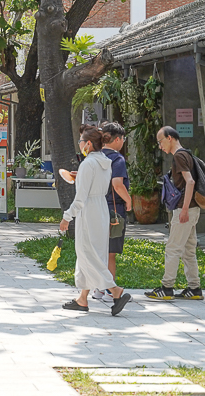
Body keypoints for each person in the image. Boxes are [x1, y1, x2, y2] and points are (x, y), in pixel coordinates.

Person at [59, 126, 132, 316]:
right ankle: (82, 298)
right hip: (101, 209)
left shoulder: (87, 164)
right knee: (92, 254)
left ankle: (115, 291)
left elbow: (81, 198)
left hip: (88, 211)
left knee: (87, 253)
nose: (80, 145)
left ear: (88, 143)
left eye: (81, 141)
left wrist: (67, 216)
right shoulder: (105, 162)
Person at [145, 126, 204, 301]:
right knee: (188, 251)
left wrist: (184, 209)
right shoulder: (186, 154)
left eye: (160, 141)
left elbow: (190, 182)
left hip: (185, 210)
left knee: (173, 248)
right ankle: (194, 289)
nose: (160, 145)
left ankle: (167, 287)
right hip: (193, 210)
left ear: (169, 138)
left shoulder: (179, 156)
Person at [92, 122, 132, 305]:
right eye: (123, 139)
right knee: (110, 253)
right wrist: (129, 200)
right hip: (113, 210)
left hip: (94, 208)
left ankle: (98, 289)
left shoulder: (93, 157)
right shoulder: (117, 159)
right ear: (117, 139)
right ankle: (110, 290)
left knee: (98, 250)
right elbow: (117, 184)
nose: (123, 142)